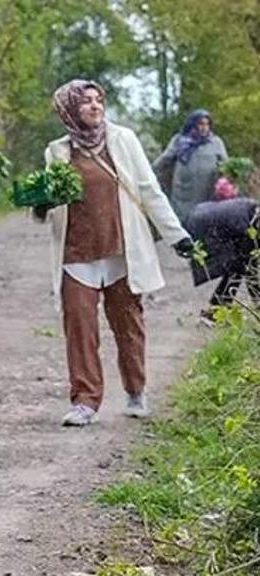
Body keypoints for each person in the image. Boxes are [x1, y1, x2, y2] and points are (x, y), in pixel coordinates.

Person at [33, 80, 193, 427]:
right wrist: (41, 202)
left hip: (121, 253)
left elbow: (149, 190)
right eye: (85, 102)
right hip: (76, 254)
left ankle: (136, 390)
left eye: (98, 100)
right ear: (68, 110)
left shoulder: (123, 140)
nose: (94, 106)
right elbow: (48, 202)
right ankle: (85, 401)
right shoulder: (57, 152)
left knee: (128, 324)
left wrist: (177, 235)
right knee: (80, 328)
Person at [184, 198, 260, 323]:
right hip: (204, 226)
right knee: (239, 266)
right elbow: (251, 271)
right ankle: (216, 311)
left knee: (237, 266)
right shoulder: (248, 225)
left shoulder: (252, 212)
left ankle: (217, 308)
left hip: (201, 214)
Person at [153, 109, 228, 224]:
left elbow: (225, 165)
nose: (204, 127)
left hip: (206, 190)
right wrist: (148, 172)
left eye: (207, 124)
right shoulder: (180, 141)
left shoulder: (216, 142)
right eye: (201, 124)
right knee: (182, 221)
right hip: (183, 191)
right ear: (193, 124)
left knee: (203, 220)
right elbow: (165, 159)